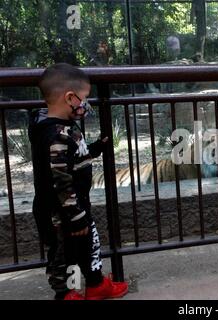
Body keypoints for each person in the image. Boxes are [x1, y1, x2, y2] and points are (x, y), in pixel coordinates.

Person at [28, 63, 128, 300]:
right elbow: (60, 180)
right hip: (61, 212)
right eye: (84, 99)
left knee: (88, 244)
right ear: (70, 98)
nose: (86, 104)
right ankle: (63, 293)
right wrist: (75, 216)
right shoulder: (55, 135)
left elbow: (72, 160)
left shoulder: (64, 129)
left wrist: (95, 149)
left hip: (76, 207)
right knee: (63, 253)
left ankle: (95, 284)